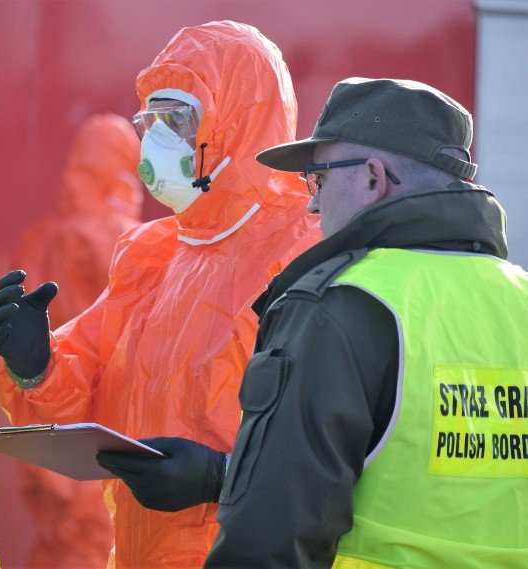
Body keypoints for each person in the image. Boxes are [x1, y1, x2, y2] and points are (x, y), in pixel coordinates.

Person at [104, 77, 528, 567]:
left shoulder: (342, 305)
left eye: (320, 178)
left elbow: (271, 542)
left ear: (372, 177)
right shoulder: (517, 299)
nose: (311, 202)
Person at [0, 20, 320, 568]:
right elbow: (85, 381)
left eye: (180, 119)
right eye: (152, 119)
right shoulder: (152, 256)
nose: (159, 139)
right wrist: (36, 363)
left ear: (236, 119)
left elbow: (339, 440)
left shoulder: (303, 253)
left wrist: (221, 479)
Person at [10, 112, 143, 569]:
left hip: (45, 434)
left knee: (56, 548)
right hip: (101, 440)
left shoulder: (40, 237)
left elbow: (18, 342)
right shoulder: (125, 240)